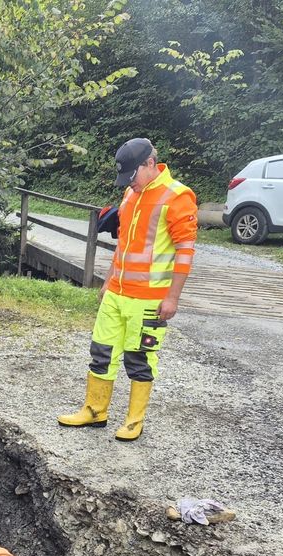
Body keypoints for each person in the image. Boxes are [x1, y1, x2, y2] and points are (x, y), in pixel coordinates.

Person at [58, 137, 198, 441]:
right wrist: (108, 281)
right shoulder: (130, 194)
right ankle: (95, 410)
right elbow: (123, 244)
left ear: (150, 164)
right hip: (117, 294)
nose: (129, 183)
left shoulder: (177, 197)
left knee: (139, 359)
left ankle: (134, 420)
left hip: (148, 300)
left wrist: (172, 297)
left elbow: (185, 251)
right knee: (101, 352)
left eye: (132, 176)